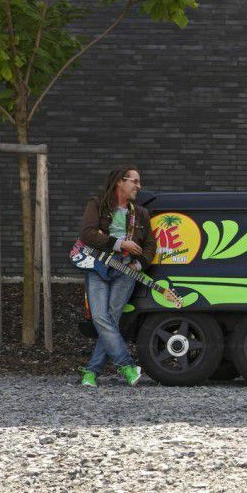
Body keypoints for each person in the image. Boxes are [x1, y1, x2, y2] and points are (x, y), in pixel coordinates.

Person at [76, 166, 156, 387]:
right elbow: (87, 234)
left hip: (126, 270)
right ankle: (126, 365)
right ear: (121, 181)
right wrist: (120, 244)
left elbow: (150, 245)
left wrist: (139, 264)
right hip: (98, 267)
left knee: (110, 319)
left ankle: (91, 372)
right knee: (101, 318)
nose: (139, 186)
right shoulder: (98, 204)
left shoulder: (141, 213)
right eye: (135, 181)